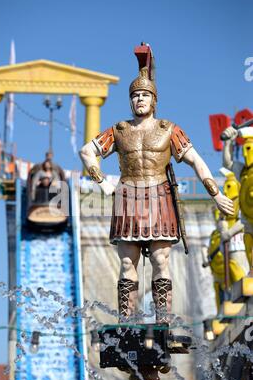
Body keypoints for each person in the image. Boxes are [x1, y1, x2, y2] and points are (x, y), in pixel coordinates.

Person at [79, 43, 234, 325]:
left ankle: (163, 320)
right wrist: (100, 180)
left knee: (161, 262)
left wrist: (216, 193)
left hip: (159, 196)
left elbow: (198, 162)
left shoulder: (169, 130)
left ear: (154, 100)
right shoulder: (119, 131)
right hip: (127, 196)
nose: (139, 99)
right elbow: (86, 151)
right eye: (135, 95)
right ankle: (127, 321)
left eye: (144, 95)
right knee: (127, 263)